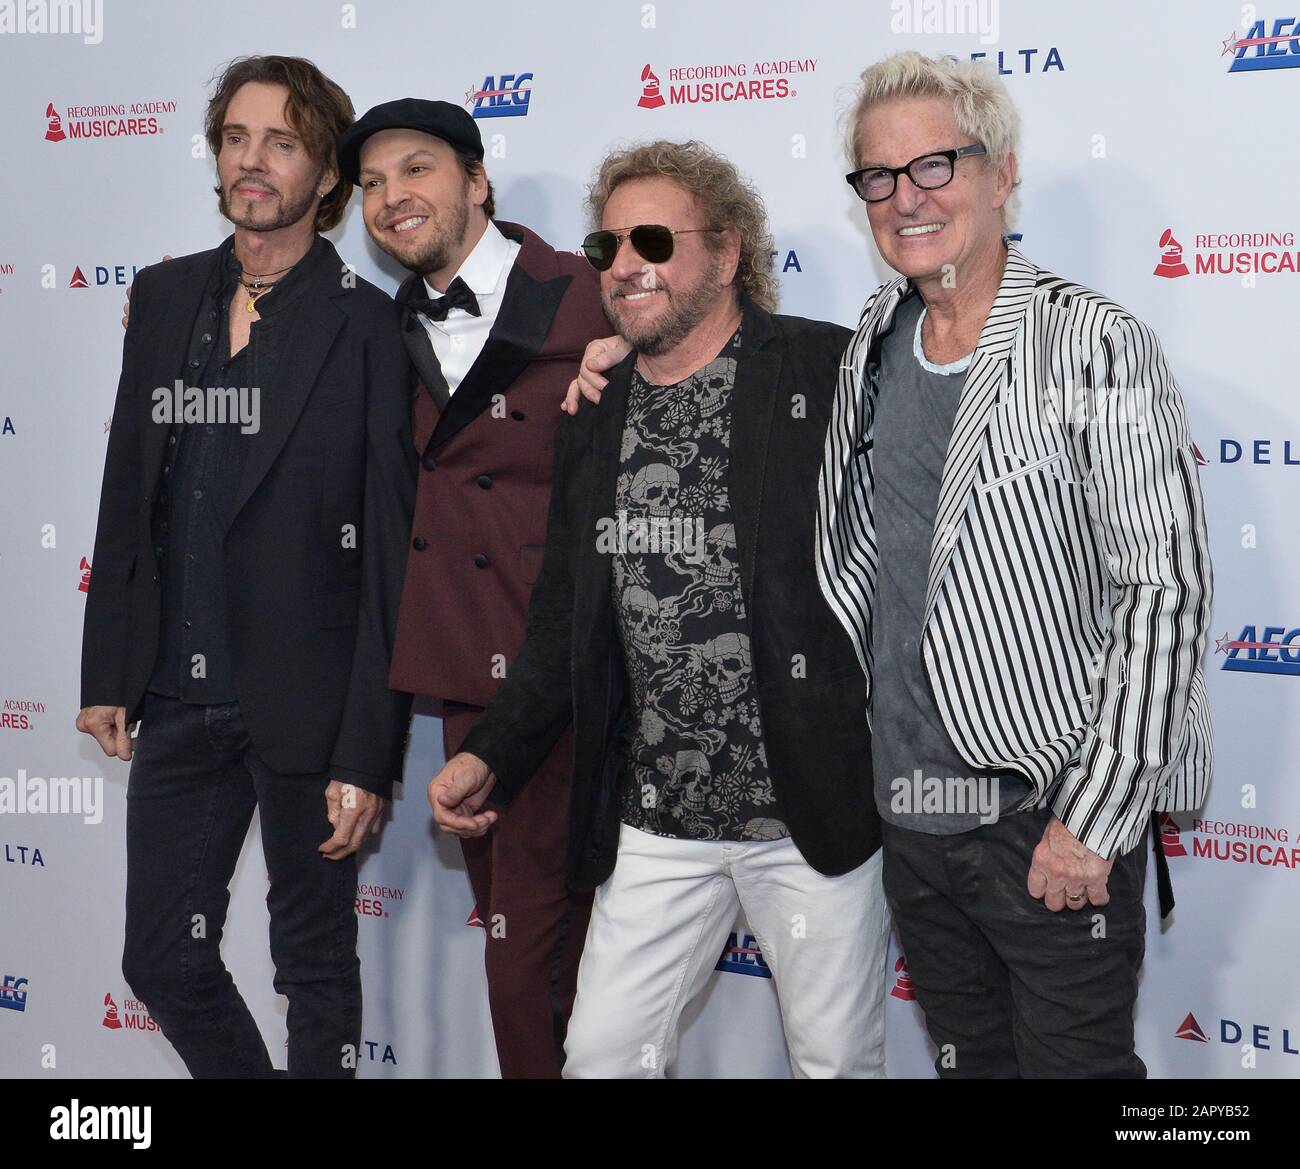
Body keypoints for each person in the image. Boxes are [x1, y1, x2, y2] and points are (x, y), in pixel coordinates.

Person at [429, 140, 887, 1079]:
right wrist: (490, 751)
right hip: (657, 818)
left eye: (650, 240)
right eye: (605, 247)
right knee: (599, 1057)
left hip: (807, 813)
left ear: (724, 251)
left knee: (836, 1063)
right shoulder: (595, 404)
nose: (625, 265)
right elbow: (564, 613)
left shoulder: (824, 369)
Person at [815, 51, 1213, 1077]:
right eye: (879, 176)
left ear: (1001, 172)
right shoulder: (872, 337)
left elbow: (1159, 591)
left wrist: (1093, 818)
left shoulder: (1095, 344)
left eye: (936, 165)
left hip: (1043, 815)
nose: (907, 199)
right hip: (912, 817)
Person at [76, 55, 416, 1078]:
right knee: (160, 958)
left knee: (314, 966)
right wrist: (107, 670)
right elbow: (128, 483)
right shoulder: (167, 293)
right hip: (176, 697)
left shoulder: (366, 321)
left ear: (326, 176)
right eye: (234, 137)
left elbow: (388, 545)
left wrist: (369, 746)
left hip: (306, 703)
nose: (250, 161)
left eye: (280, 142)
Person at [335, 99, 608, 1078]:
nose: (390, 198)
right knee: (533, 949)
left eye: (416, 170)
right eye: (369, 185)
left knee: (531, 958)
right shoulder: (376, 325)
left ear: (477, 181)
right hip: (465, 681)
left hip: (580, 674)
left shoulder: (589, 292)